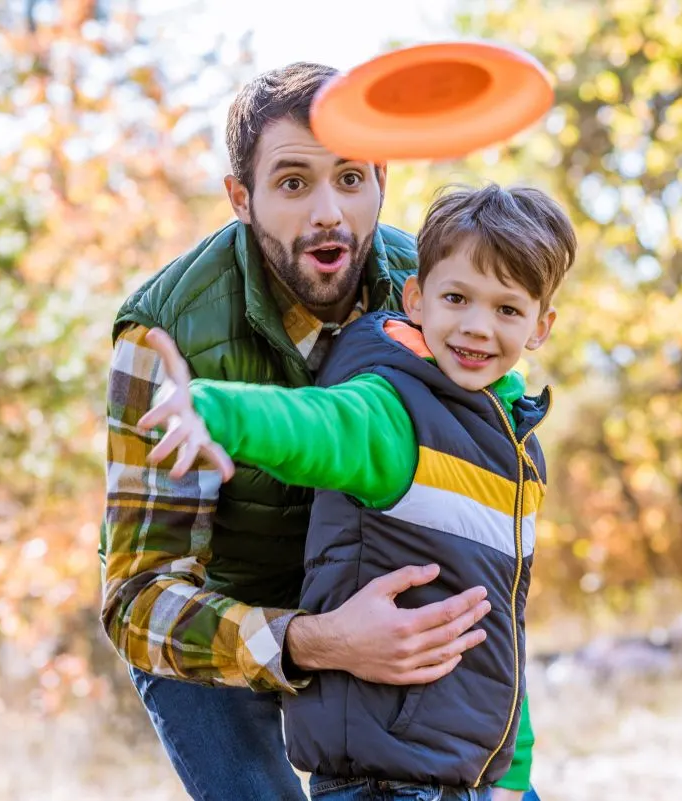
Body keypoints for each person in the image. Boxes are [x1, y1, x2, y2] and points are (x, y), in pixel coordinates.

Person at [101, 62, 541, 800]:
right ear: (242, 198)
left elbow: (490, 474)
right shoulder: (162, 337)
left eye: (349, 178)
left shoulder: (431, 288)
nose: (328, 212)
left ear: (381, 179)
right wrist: (318, 639)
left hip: (381, 596)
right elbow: (137, 599)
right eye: (293, 183)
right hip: (221, 619)